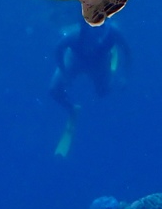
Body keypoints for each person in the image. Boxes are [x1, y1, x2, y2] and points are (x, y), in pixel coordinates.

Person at [49, 20, 132, 157]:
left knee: (103, 92)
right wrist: (64, 73)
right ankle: (72, 109)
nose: (95, 41)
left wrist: (125, 76)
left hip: (100, 62)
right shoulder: (74, 35)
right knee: (54, 90)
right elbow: (58, 49)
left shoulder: (113, 33)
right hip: (75, 59)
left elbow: (127, 52)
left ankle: (112, 62)